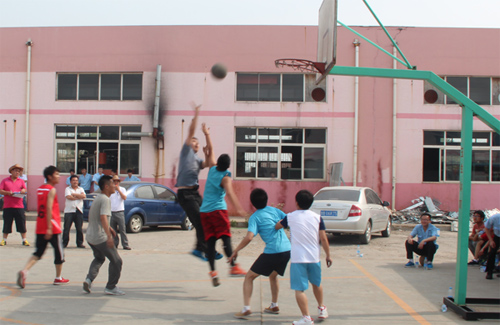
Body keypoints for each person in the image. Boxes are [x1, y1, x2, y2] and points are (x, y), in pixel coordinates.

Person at [230, 188, 291, 319]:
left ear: (252, 203)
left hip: (273, 252)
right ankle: (274, 305)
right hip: (287, 250)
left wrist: (236, 250)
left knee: (249, 277)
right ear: (267, 199)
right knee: (273, 276)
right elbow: (289, 220)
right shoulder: (275, 210)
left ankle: (246, 308)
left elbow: (249, 237)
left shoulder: (255, 217)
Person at [275, 190, 332, 325]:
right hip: (314, 257)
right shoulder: (317, 218)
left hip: (298, 258)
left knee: (299, 289)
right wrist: (328, 255)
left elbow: (277, 226)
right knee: (316, 283)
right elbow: (323, 238)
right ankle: (321, 308)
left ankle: (306, 317)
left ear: (296, 202)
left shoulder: (290, 217)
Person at [176, 103, 221, 261]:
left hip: (194, 193)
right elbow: (190, 131)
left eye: (198, 142)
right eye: (194, 141)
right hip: (185, 194)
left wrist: (207, 137)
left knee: (207, 220)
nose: (196, 143)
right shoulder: (186, 152)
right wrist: (196, 113)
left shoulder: (198, 159)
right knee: (201, 221)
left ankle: (205, 249)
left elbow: (212, 164)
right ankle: (202, 249)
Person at [17, 166, 69, 288]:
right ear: (50, 176)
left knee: (38, 252)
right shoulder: (51, 190)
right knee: (59, 253)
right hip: (52, 227)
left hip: (40, 226)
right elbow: (49, 208)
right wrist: (50, 227)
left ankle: (25, 271)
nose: (59, 176)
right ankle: (58, 277)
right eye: (56, 174)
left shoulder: (40, 189)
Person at [200, 153, 247, 286]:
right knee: (225, 237)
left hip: (204, 212)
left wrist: (207, 135)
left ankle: (213, 272)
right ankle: (233, 266)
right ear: (228, 166)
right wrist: (239, 210)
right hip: (217, 211)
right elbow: (230, 193)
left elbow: (211, 150)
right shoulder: (225, 177)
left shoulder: (212, 169)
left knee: (210, 241)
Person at [83, 175, 124, 295]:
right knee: (117, 261)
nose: (115, 186)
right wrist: (109, 236)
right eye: (112, 183)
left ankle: (89, 279)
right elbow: (103, 217)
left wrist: (110, 228)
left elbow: (97, 217)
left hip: (91, 237)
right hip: (100, 238)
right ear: (106, 186)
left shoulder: (98, 197)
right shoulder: (105, 199)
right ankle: (111, 287)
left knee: (99, 258)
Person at [0, 164, 29, 246]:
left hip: (19, 206)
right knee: (7, 223)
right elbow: (0, 190)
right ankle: (4, 240)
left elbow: (24, 189)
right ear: (11, 171)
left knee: (22, 223)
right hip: (8, 206)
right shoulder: (5, 181)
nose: (17, 172)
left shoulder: (21, 181)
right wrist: (7, 193)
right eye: (16, 170)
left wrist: (23, 190)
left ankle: (24, 240)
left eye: (19, 171)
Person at [63, 175, 86, 248]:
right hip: (69, 211)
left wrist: (74, 194)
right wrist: (78, 197)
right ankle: (64, 243)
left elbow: (84, 196)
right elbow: (68, 197)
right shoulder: (67, 189)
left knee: (79, 228)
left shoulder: (81, 189)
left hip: (78, 210)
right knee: (66, 228)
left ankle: (79, 243)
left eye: (76, 180)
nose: (75, 182)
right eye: (73, 180)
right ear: (70, 181)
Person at [110, 175, 131, 250]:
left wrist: (118, 190)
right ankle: (115, 244)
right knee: (113, 230)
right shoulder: (110, 190)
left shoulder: (122, 189)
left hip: (120, 211)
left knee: (122, 229)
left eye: (117, 181)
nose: (116, 183)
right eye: (114, 181)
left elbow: (124, 198)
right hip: (111, 211)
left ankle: (125, 244)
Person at [484, 213, 500, 280]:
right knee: (492, 252)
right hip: (497, 237)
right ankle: (489, 272)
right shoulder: (494, 218)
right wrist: (491, 240)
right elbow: (487, 228)